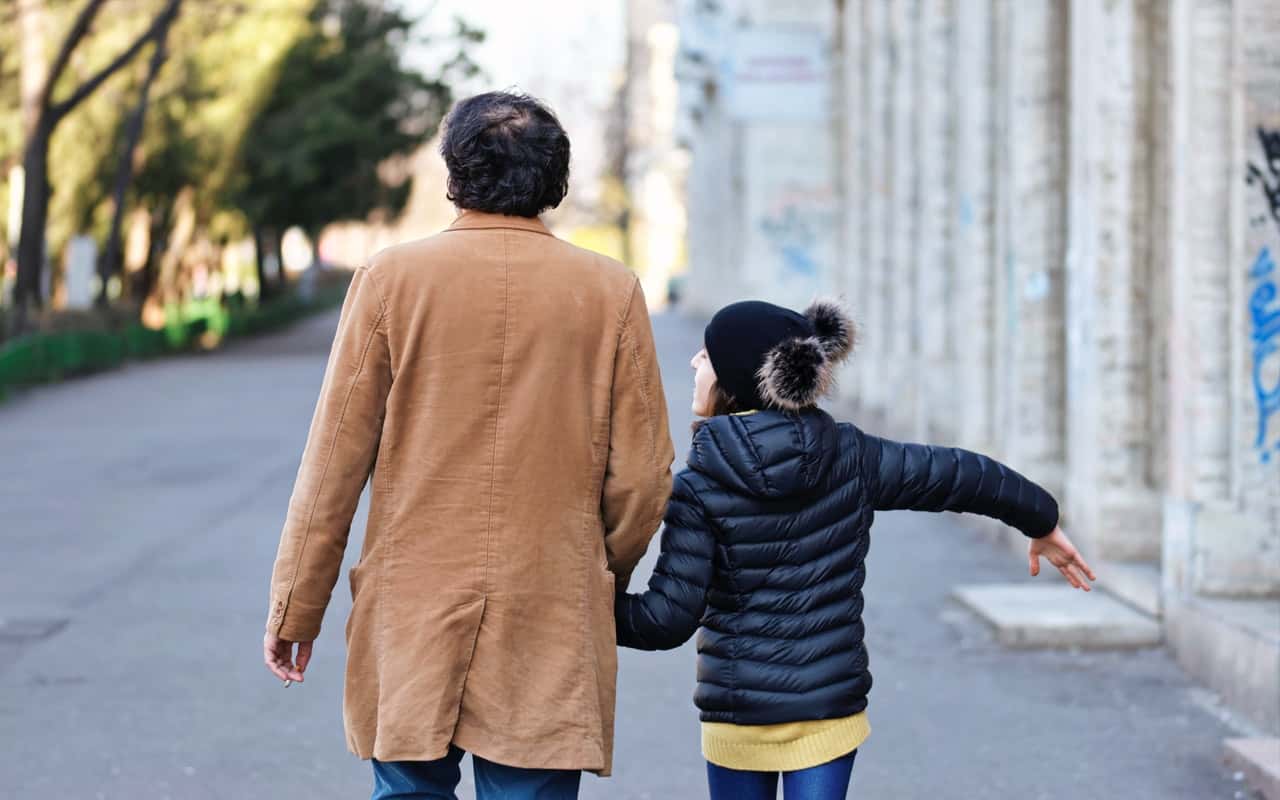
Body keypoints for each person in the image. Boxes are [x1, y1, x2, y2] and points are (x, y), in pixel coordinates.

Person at [262, 91, 675, 800]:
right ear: (555, 178)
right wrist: (595, 569)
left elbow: (333, 463)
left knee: (408, 785)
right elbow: (644, 476)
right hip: (548, 603)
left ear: (455, 170)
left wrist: (297, 605)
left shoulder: (391, 280)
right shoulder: (611, 291)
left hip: (413, 605)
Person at [615, 299, 1095, 800]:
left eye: (707, 355)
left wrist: (585, 604)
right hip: (829, 711)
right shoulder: (853, 455)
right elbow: (959, 475)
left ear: (736, 376)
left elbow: (666, 619)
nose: (694, 361)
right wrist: (1041, 518)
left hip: (738, 715)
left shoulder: (698, 486)